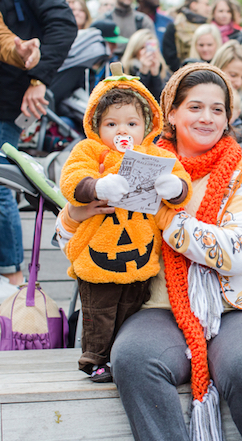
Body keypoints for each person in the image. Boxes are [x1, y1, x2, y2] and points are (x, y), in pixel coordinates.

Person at [58, 62, 242, 441]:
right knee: (133, 357)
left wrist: (167, 214)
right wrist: (75, 214)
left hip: (240, 306)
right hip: (159, 307)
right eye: (195, 107)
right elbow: (72, 242)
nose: (207, 118)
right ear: (170, 112)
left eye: (217, 109)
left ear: (228, 116)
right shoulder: (133, 161)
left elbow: (236, 253)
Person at [58, 64, 192, 382]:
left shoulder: (153, 153)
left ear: (146, 125)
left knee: (130, 312)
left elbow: (180, 179)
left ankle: (122, 354)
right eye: (112, 123)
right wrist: (97, 187)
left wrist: (174, 188)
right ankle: (95, 358)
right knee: (99, 313)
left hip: (141, 258)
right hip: (97, 256)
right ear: (96, 125)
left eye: (131, 123)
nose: (123, 131)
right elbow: (72, 178)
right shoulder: (92, 151)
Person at [0, 0, 76, 290]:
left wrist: (38, 76)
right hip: (13, 89)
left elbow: (63, 25)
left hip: (9, 97)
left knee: (2, 184)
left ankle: (14, 279)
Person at [162, 0, 210, 73]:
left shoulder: (209, 26)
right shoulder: (175, 26)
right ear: (194, 5)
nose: (209, 8)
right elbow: (170, 57)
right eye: (206, 4)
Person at [121, 28, 168, 99]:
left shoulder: (162, 69)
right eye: (142, 48)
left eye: (150, 47)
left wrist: (155, 75)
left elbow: (162, 100)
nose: (147, 52)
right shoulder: (126, 69)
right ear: (135, 50)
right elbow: (134, 98)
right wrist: (143, 73)